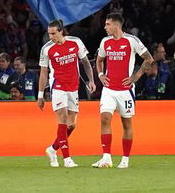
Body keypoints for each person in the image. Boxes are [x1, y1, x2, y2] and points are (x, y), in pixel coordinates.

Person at [94, 11, 149, 168]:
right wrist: (100, 75)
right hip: (109, 89)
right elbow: (99, 60)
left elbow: (148, 58)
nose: (105, 27)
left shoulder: (131, 41)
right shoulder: (105, 42)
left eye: (108, 24)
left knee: (126, 124)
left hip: (126, 91)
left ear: (116, 25)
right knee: (105, 119)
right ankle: (106, 157)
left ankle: (125, 159)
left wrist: (135, 77)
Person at [38, 18, 96, 168]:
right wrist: (40, 95)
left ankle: (52, 149)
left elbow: (86, 62)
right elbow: (43, 72)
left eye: (53, 33)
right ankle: (67, 159)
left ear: (61, 31)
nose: (51, 37)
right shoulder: (46, 49)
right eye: (49, 34)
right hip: (58, 87)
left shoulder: (75, 42)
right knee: (62, 119)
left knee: (72, 125)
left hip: (73, 87)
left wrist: (91, 80)